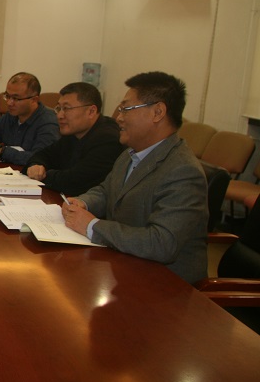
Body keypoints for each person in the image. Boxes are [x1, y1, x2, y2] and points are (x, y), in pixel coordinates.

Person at [62, 71, 208, 284]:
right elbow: (106, 190)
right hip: (124, 264)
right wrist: (83, 202)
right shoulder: (131, 153)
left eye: (126, 109)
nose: (118, 118)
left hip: (166, 285)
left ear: (157, 112)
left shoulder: (183, 171)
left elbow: (162, 243)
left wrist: (92, 226)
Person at [25, 82, 124, 196]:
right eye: (59, 108)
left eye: (66, 108)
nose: (59, 115)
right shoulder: (74, 132)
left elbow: (74, 183)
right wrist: (35, 165)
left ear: (91, 111)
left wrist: (43, 174)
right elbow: (43, 155)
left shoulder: (108, 140)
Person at [0, 72, 60, 165]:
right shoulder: (12, 115)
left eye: (16, 98)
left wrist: (0, 152)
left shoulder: (49, 123)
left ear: (34, 100)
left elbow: (40, 159)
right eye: (7, 96)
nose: (9, 103)